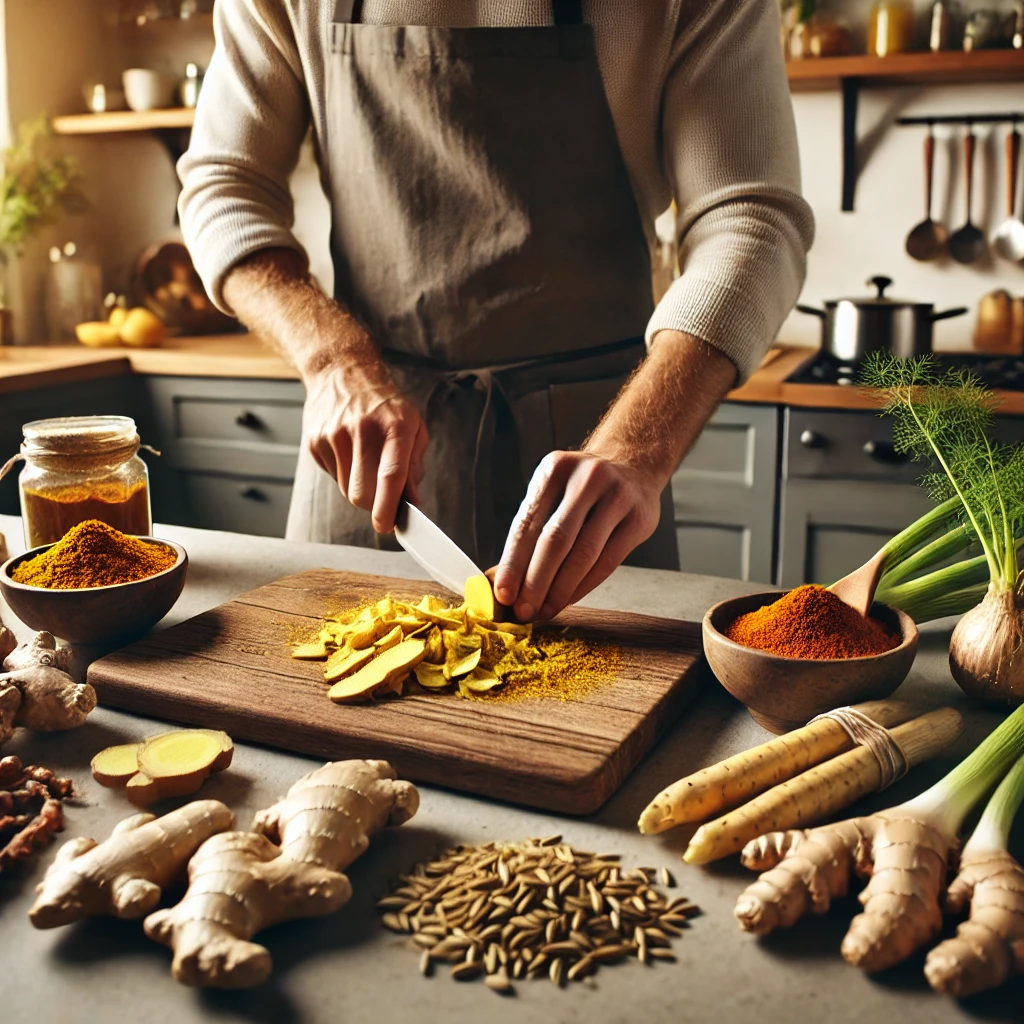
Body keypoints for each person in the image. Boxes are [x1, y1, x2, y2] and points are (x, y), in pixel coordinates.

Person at [178, 0, 814, 622]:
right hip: (372, 455)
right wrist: (329, 359)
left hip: (600, 461)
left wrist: (638, 446)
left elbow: (751, 219)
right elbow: (224, 186)